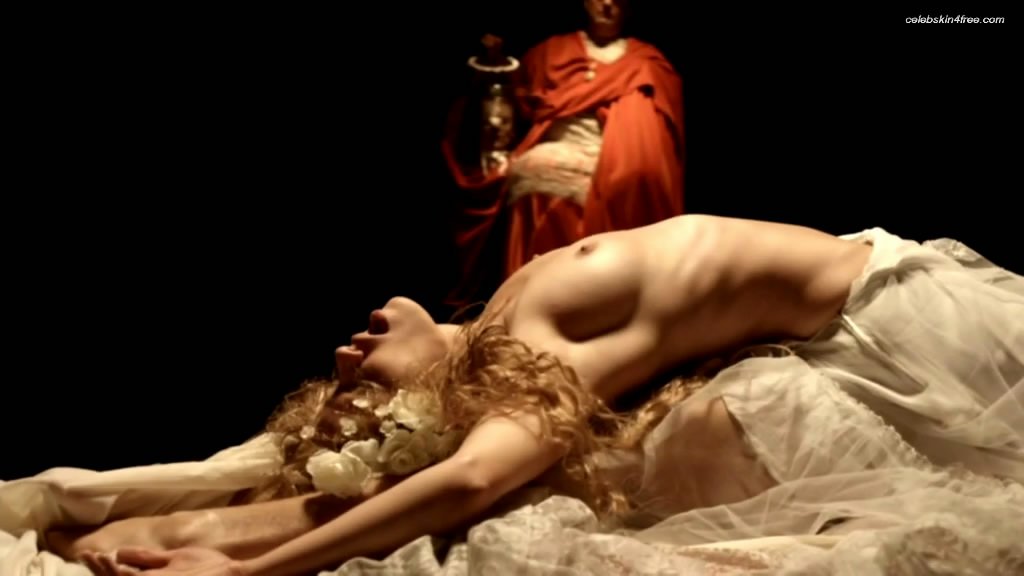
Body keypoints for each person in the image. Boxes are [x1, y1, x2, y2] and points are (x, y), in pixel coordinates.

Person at [56, 214, 1024, 575]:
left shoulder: (510, 311)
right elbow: (466, 482)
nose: (348, 355)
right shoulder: (523, 350)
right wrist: (256, 572)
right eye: (361, 388)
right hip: (897, 330)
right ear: (428, 404)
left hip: (888, 297)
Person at [443, 0, 685, 307]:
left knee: (632, 177)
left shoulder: (646, 62)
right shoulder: (551, 51)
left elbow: (658, 136)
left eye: (617, 0)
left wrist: (629, 161)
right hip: (553, 144)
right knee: (533, 169)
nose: (607, 4)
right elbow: (515, 100)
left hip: (613, 153)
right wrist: (494, 65)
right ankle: (526, 298)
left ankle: (597, 297)